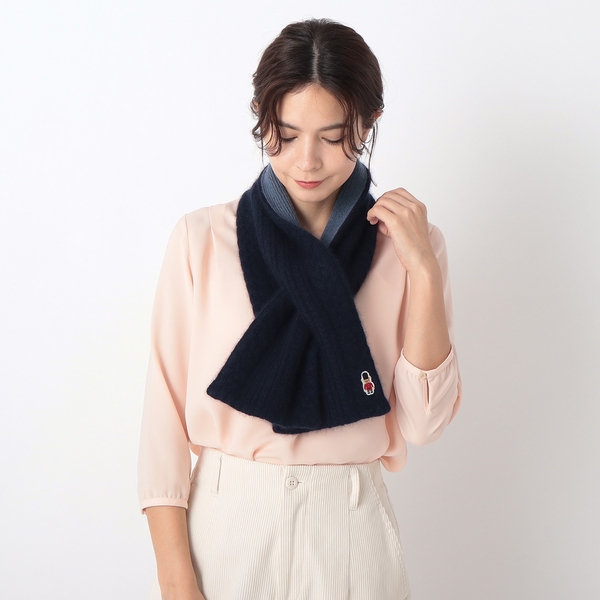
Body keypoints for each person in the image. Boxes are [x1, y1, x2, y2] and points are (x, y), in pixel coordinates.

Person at [138, 18, 462, 600]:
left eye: (332, 137)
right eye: (284, 135)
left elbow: (424, 423)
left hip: (351, 530)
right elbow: (162, 421)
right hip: (228, 524)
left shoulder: (409, 247)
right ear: (261, 119)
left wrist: (425, 272)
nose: (306, 161)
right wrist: (174, 579)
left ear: (368, 123)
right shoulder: (201, 239)